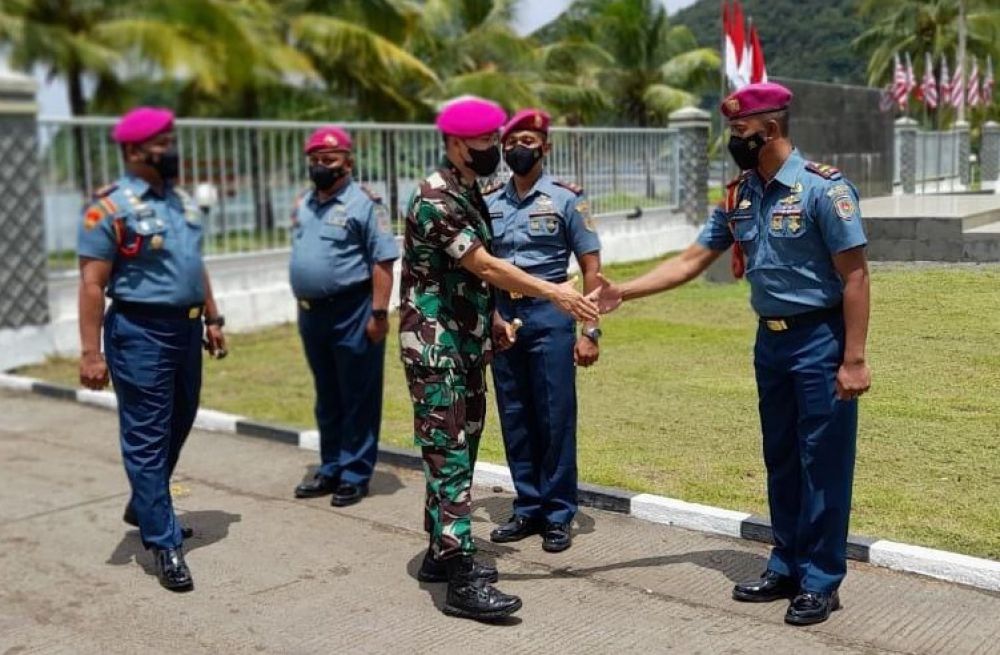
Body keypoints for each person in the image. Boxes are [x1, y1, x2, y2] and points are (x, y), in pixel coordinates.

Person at [591, 82, 871, 626]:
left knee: (823, 463)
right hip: (771, 341)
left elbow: (855, 275)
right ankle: (786, 563)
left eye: (740, 132)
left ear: (769, 130)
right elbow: (693, 259)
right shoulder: (740, 193)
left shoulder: (822, 190)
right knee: (782, 458)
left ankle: (820, 580)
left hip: (820, 339)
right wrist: (624, 290)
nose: (733, 140)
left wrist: (854, 358)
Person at [399, 96, 599, 621]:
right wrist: (554, 292)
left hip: (465, 342)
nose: (497, 150)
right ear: (456, 144)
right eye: (488, 143)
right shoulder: (436, 198)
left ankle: (439, 556)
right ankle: (462, 575)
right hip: (436, 347)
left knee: (461, 444)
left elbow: (462, 277)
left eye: (498, 141)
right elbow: (485, 266)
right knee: (449, 450)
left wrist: (491, 322)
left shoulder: (468, 192)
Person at [77, 106, 227, 592]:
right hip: (138, 332)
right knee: (146, 434)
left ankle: (146, 500)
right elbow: (91, 284)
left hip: (185, 331)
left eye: (171, 141)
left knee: (181, 417)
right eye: (162, 144)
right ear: (133, 151)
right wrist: (91, 352)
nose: (172, 151)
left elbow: (192, 262)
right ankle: (163, 542)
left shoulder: (179, 201)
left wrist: (212, 315)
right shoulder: (107, 207)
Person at [484, 108, 602, 553]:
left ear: (545, 147)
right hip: (503, 321)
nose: (519, 149)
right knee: (515, 415)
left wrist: (590, 330)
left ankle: (557, 513)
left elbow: (591, 268)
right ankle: (528, 507)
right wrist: (492, 316)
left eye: (529, 141)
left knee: (554, 417)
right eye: (512, 142)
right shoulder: (490, 201)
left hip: (551, 318)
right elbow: (485, 270)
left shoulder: (567, 199)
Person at [290, 126, 400, 507]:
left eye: (330, 160)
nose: (321, 166)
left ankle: (354, 473)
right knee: (328, 396)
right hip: (312, 315)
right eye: (316, 160)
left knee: (358, 395)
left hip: (353, 311)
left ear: (348, 163)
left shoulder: (366, 204)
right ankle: (330, 467)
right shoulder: (303, 203)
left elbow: (383, 261)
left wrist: (379, 313)